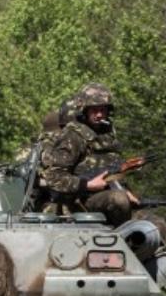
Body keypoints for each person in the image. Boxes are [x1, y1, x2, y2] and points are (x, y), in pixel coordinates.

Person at [39, 83, 135, 225]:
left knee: (153, 222)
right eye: (94, 110)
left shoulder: (107, 135)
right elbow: (54, 177)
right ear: (84, 110)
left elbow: (114, 169)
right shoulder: (73, 136)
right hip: (79, 202)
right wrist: (87, 184)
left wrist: (124, 189)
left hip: (107, 197)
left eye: (103, 110)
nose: (99, 115)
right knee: (118, 199)